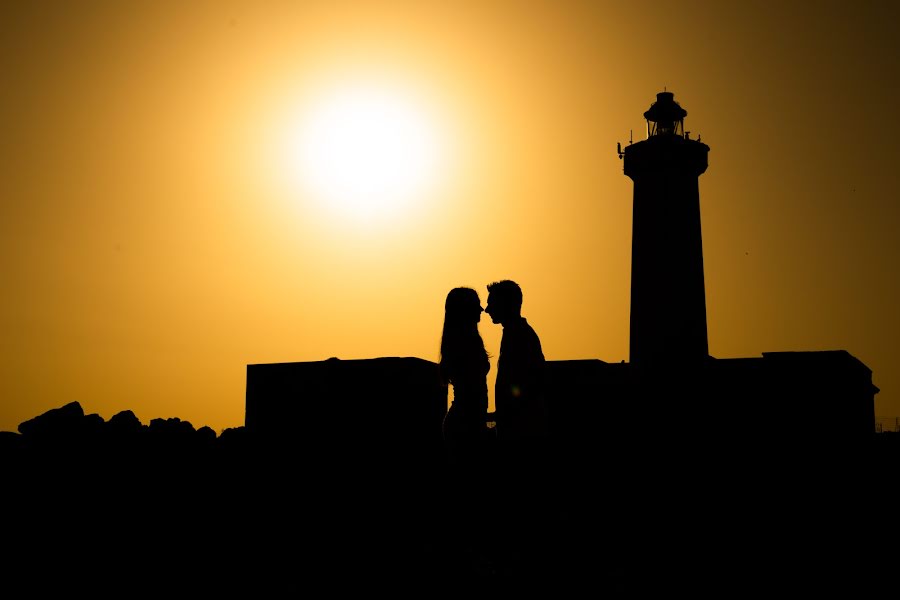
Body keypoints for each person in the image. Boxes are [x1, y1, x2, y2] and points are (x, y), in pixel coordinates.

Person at [438, 287, 493, 572]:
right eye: (476, 305)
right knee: (468, 490)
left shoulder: (463, 339)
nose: (482, 310)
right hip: (466, 422)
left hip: (467, 419)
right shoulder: (465, 341)